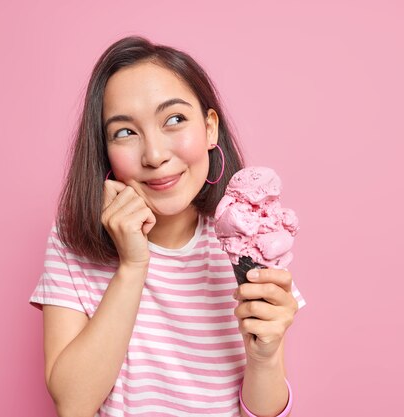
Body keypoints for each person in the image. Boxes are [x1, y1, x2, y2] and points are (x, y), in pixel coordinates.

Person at [29, 35, 307, 417]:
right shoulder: (73, 238)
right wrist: (131, 265)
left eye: (174, 120)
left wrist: (265, 355)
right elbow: (73, 404)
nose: (155, 155)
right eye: (125, 132)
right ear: (105, 149)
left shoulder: (245, 235)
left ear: (210, 128)